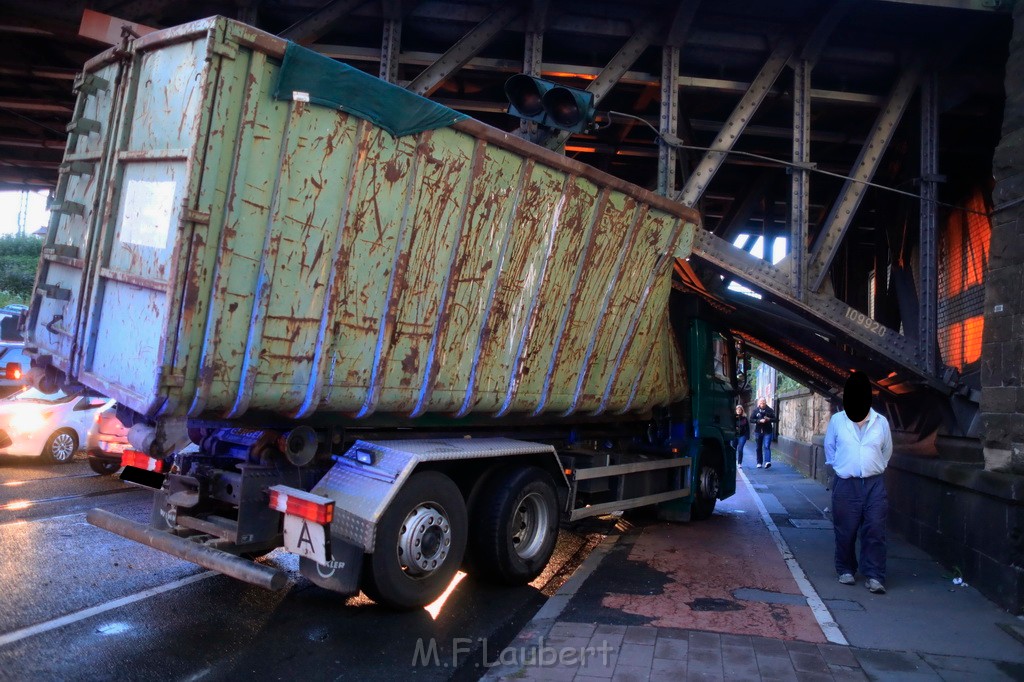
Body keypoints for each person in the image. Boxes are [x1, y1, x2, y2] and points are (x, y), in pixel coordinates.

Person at [824, 371, 893, 594]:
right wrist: (843, 467)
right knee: (846, 529)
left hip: (874, 484)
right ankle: (845, 569)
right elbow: (830, 448)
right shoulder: (837, 421)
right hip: (846, 484)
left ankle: (874, 575)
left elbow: (886, 451)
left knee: (875, 528)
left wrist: (872, 466)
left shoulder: (880, 422)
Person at [750, 397, 776, 468]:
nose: (762, 404)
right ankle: (759, 462)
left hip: (768, 431)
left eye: (764, 402)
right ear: (759, 403)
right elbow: (751, 419)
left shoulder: (770, 410)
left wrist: (769, 419)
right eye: (761, 402)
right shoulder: (755, 410)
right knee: (758, 447)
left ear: (766, 402)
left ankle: (767, 462)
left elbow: (775, 419)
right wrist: (758, 421)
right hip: (758, 431)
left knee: (767, 446)